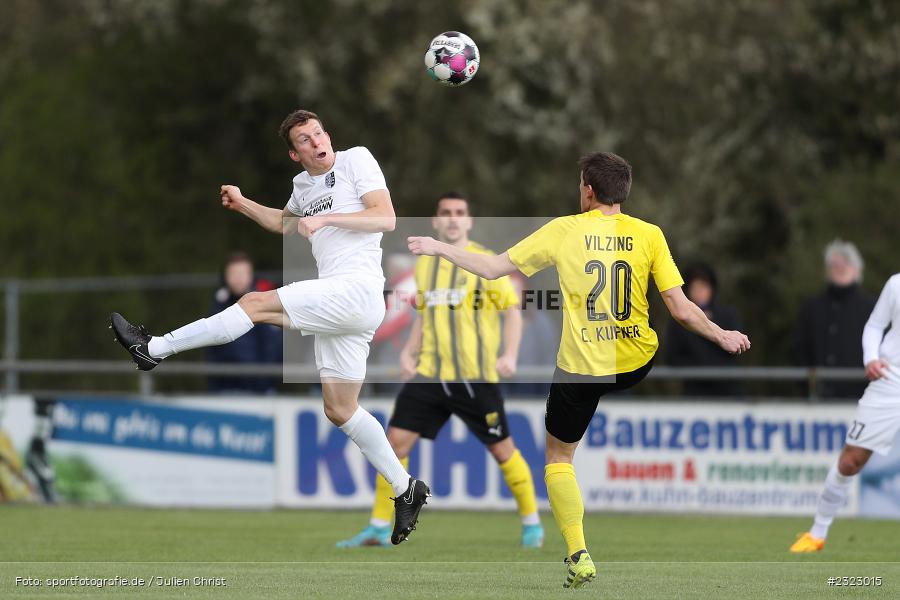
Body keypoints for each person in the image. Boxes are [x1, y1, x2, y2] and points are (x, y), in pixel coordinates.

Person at [408, 152, 750, 588]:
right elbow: (681, 309)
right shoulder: (649, 234)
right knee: (619, 369)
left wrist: (439, 247)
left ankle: (578, 553)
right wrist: (721, 335)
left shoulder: (563, 229)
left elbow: (493, 269)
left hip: (583, 368)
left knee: (558, 457)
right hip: (636, 359)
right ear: (622, 191)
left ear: (588, 190)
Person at [109, 109, 429, 545]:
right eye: (306, 139)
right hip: (345, 306)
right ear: (295, 154)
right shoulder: (303, 185)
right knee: (339, 409)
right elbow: (284, 222)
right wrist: (243, 203)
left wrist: (327, 220)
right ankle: (406, 487)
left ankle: (155, 347)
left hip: (356, 290)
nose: (317, 141)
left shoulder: (357, 160)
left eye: (319, 132)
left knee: (255, 303)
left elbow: (385, 217)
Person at [337, 193, 545, 549]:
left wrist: (510, 353)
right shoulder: (425, 265)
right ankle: (376, 526)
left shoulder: (483, 262)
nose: (452, 219)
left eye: (459, 213)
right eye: (446, 213)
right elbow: (425, 311)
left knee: (503, 452)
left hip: (475, 378)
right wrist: (409, 351)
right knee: (391, 445)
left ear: (469, 221)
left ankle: (532, 525)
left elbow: (512, 311)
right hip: (430, 375)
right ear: (435, 222)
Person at [789, 273, 899, 553]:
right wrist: (871, 358)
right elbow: (875, 325)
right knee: (850, 462)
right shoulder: (896, 284)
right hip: (890, 383)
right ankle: (817, 533)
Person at [794, 240, 876, 398]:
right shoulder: (811, 307)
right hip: (817, 398)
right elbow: (799, 350)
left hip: (861, 396)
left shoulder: (872, 307)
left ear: (857, 270)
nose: (840, 267)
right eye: (835, 264)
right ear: (827, 271)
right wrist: (806, 385)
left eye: (846, 262)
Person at [207, 252, 283, 394]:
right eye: (233, 273)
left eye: (242, 273)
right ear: (226, 276)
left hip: (258, 390)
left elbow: (272, 347)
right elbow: (211, 346)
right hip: (223, 388)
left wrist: (262, 383)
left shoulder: (264, 301)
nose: (238, 279)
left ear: (251, 275)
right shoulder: (219, 302)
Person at [665, 263, 743, 396]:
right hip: (694, 392)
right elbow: (672, 357)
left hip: (727, 390)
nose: (699, 292)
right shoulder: (679, 322)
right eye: (695, 287)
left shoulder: (728, 315)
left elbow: (737, 351)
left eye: (704, 287)